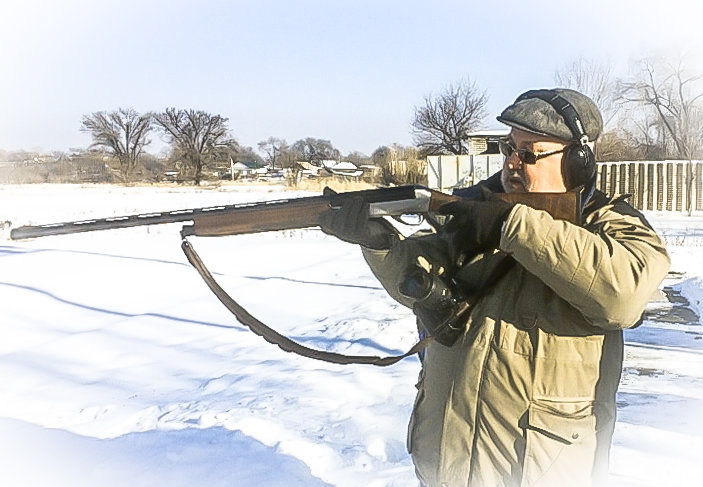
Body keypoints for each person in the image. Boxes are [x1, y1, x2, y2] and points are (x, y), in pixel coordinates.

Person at [320, 88, 670, 487]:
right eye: (509, 148)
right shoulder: (479, 212)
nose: (512, 163)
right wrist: (379, 243)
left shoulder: (609, 223)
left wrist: (511, 226)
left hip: (536, 470)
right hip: (446, 464)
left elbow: (624, 295)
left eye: (529, 152)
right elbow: (416, 281)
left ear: (577, 162)